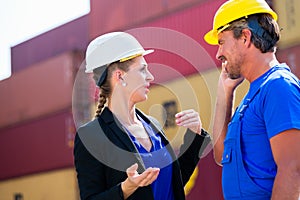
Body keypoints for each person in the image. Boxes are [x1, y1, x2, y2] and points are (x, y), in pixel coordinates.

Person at [74, 31, 210, 200]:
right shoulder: (92, 136)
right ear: (120, 76)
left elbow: (172, 183)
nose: (150, 77)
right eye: (143, 70)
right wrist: (126, 188)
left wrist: (195, 136)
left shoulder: (152, 124)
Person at [204, 0, 300, 199]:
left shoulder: (278, 86)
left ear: (245, 37)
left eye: (222, 42)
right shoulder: (252, 96)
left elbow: (294, 168)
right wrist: (225, 92)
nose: (218, 53)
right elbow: (221, 155)